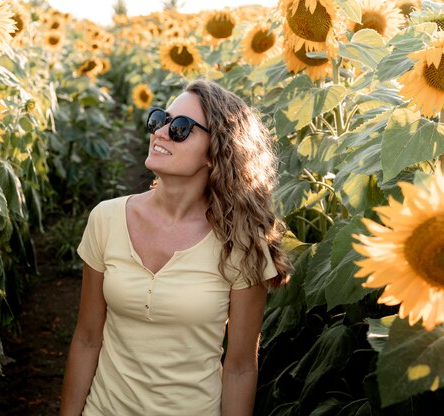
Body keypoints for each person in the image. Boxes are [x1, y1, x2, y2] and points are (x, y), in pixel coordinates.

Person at [59, 79, 292, 416]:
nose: (162, 132)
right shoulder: (106, 219)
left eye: (181, 128)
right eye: (159, 119)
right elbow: (87, 338)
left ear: (216, 153)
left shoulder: (239, 242)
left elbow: (240, 366)